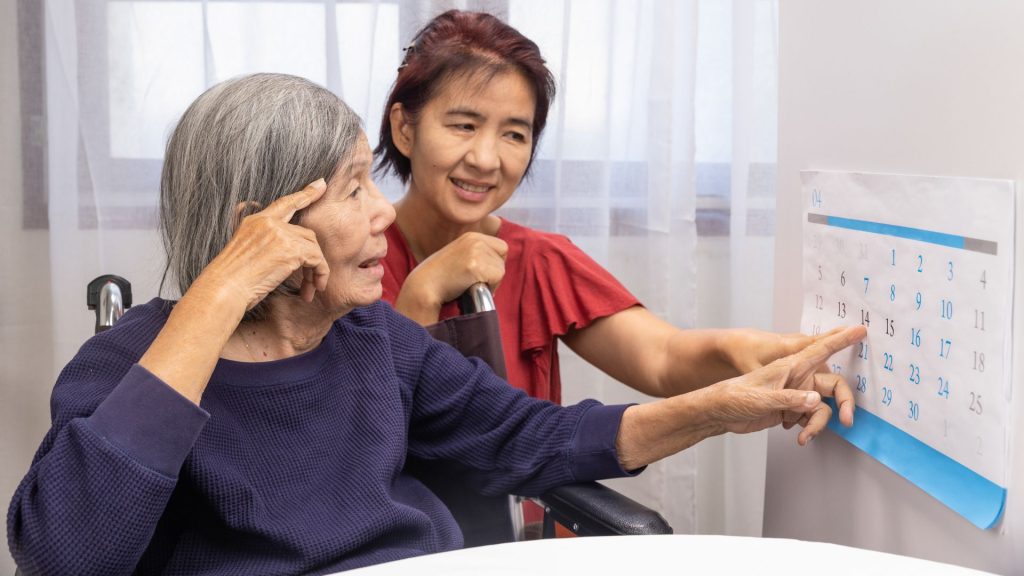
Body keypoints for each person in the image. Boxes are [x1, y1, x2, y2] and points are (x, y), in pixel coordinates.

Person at [7, 73, 864, 576]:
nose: (383, 216)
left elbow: (542, 440)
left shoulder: (376, 342)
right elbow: (67, 556)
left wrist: (728, 405)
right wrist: (211, 304)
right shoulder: (123, 370)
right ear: (260, 229)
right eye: (352, 189)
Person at [377, 9, 854, 423]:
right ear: (404, 128)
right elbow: (361, 432)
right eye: (464, 125)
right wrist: (422, 293)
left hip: (524, 521)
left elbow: (662, 359)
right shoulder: (353, 261)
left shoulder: (541, 260)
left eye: (515, 135)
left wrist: (749, 353)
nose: (486, 158)